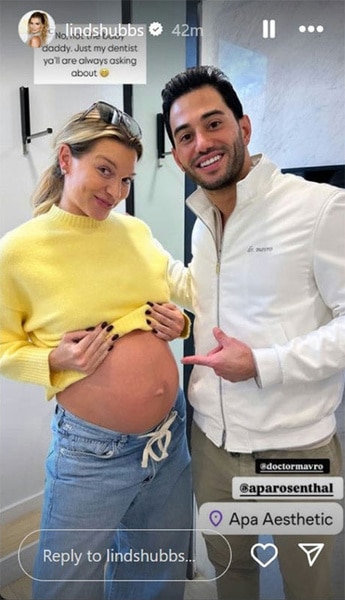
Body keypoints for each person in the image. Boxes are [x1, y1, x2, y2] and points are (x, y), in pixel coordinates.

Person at [161, 66, 345, 600]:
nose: (202, 143)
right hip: (213, 444)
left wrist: (263, 363)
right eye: (185, 135)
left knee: (306, 587)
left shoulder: (318, 208)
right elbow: (220, 307)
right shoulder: (202, 222)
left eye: (213, 123)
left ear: (243, 126)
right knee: (231, 576)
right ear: (177, 153)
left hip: (293, 450)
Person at [0, 101, 193, 600]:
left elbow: (173, 296)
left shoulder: (135, 231)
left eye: (126, 180)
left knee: (157, 576)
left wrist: (181, 322)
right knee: (66, 586)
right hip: (92, 454)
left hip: (169, 438)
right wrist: (52, 361)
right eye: (105, 171)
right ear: (66, 159)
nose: (116, 192)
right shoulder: (19, 250)